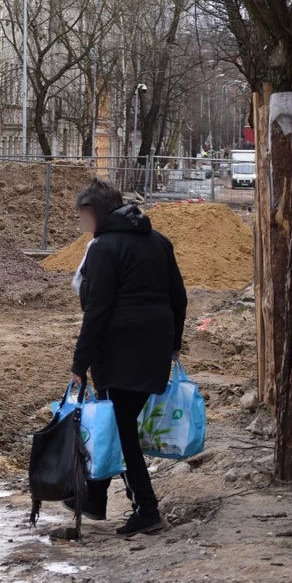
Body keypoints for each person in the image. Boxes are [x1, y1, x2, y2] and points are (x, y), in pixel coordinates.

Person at [67, 178, 187, 537]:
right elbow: (178, 296)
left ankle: (147, 510)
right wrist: (174, 341)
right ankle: (95, 499)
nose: (81, 224)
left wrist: (79, 363)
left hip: (118, 353)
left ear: (97, 214)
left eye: (83, 217)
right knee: (118, 424)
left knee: (121, 432)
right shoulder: (159, 242)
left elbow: (97, 310)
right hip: (153, 350)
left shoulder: (104, 248)